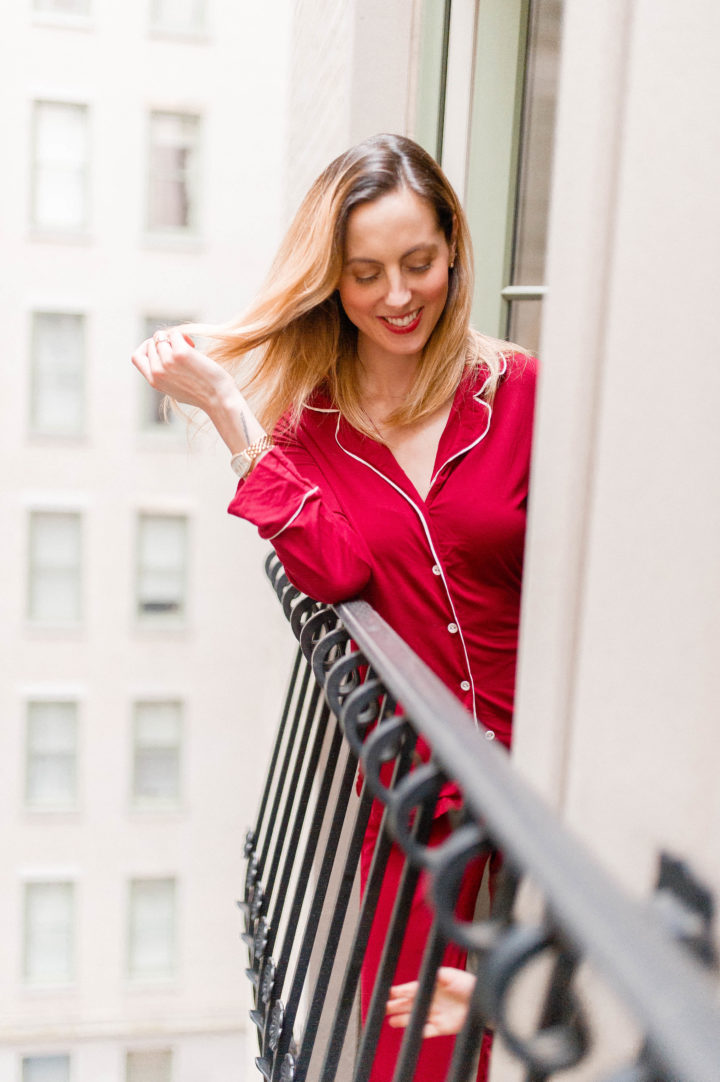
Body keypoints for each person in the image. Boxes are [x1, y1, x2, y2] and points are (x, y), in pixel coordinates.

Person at [131, 133, 537, 1082]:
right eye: (365, 273)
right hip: (417, 817)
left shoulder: (516, 393)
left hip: (551, 789)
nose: (398, 295)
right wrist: (234, 414)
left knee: (554, 1029)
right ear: (333, 283)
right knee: (426, 1062)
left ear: (453, 254)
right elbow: (337, 573)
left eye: (418, 263)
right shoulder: (313, 429)